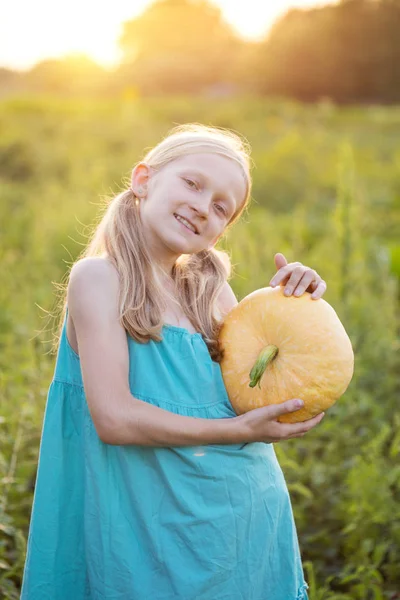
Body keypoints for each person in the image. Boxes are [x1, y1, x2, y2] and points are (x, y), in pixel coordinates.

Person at [21, 123, 327, 600]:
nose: (203, 206)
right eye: (192, 183)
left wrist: (293, 304)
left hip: (238, 523)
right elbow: (114, 420)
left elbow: (264, 394)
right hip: (147, 534)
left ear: (222, 230)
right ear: (143, 180)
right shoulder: (100, 279)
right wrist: (238, 432)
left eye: (222, 207)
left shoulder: (213, 293)